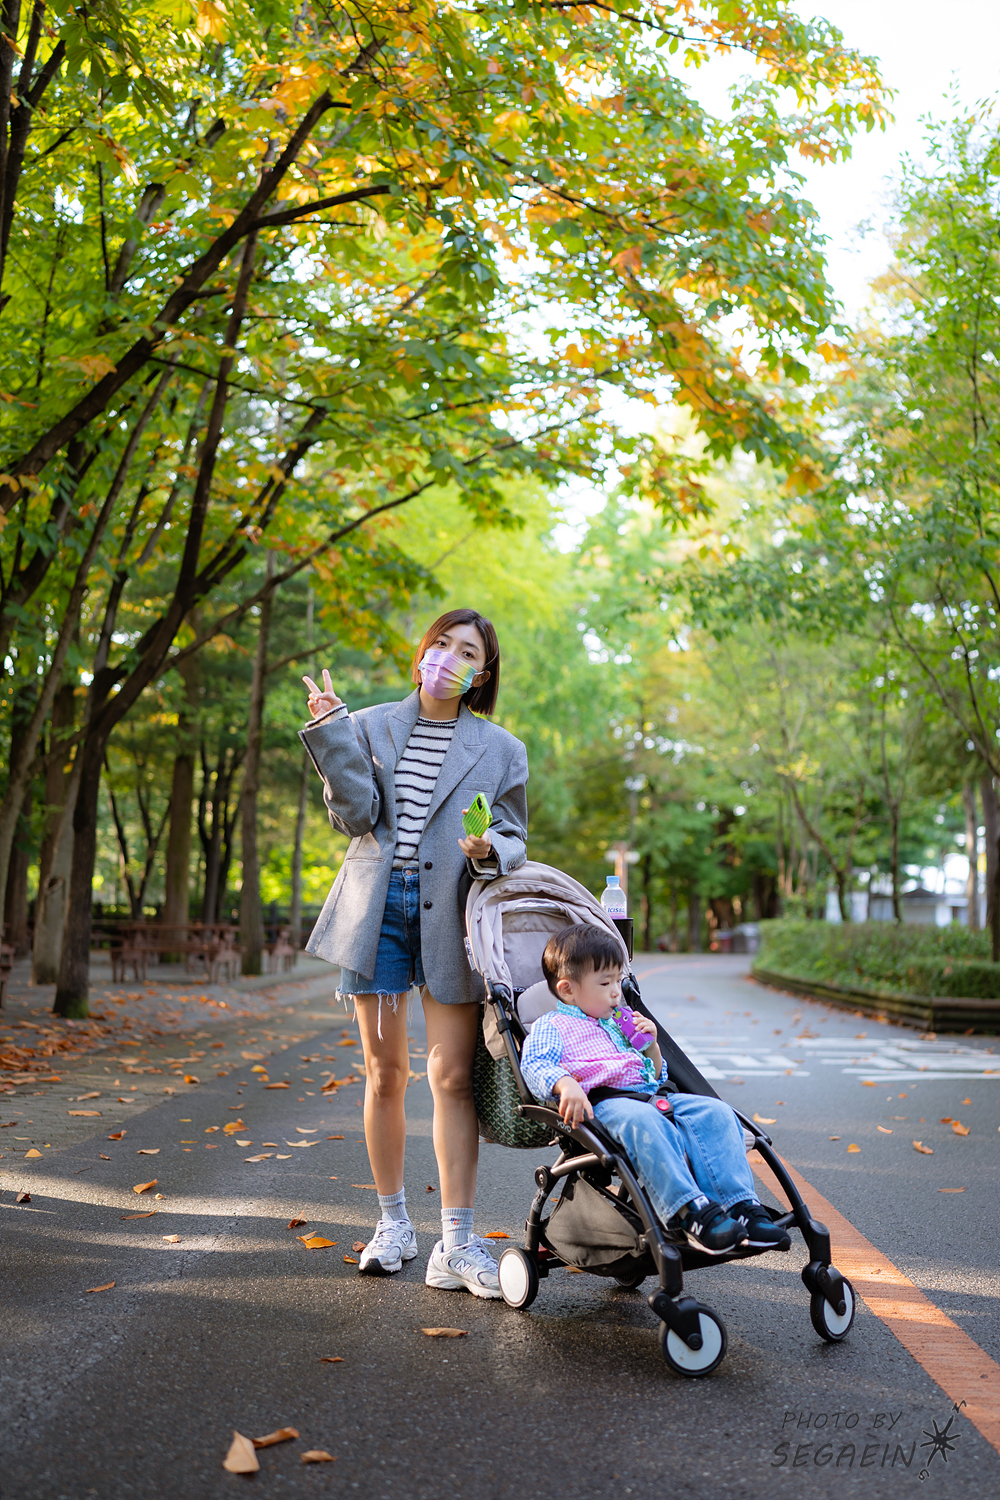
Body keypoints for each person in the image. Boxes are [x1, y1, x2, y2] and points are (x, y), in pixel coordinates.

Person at [300, 608, 528, 1296]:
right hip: (377, 912)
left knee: (452, 1078)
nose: (450, 657)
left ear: (481, 674)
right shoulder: (369, 725)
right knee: (385, 1075)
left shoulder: (501, 748)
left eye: (468, 652)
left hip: (453, 916)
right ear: (423, 651)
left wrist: (490, 849)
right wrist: (332, 732)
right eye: (442, 643)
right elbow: (355, 817)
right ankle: (393, 1224)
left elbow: (514, 834)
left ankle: (455, 1244)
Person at [520, 924, 791, 1254]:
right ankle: (688, 1212)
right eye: (605, 983)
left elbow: (654, 1074)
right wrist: (565, 1084)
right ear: (568, 990)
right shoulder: (553, 1025)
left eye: (618, 981)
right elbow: (534, 1063)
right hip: (604, 1103)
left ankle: (741, 1206)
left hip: (651, 1096)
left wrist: (651, 1046)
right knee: (644, 1122)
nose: (616, 992)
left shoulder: (618, 1022)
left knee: (716, 1112)